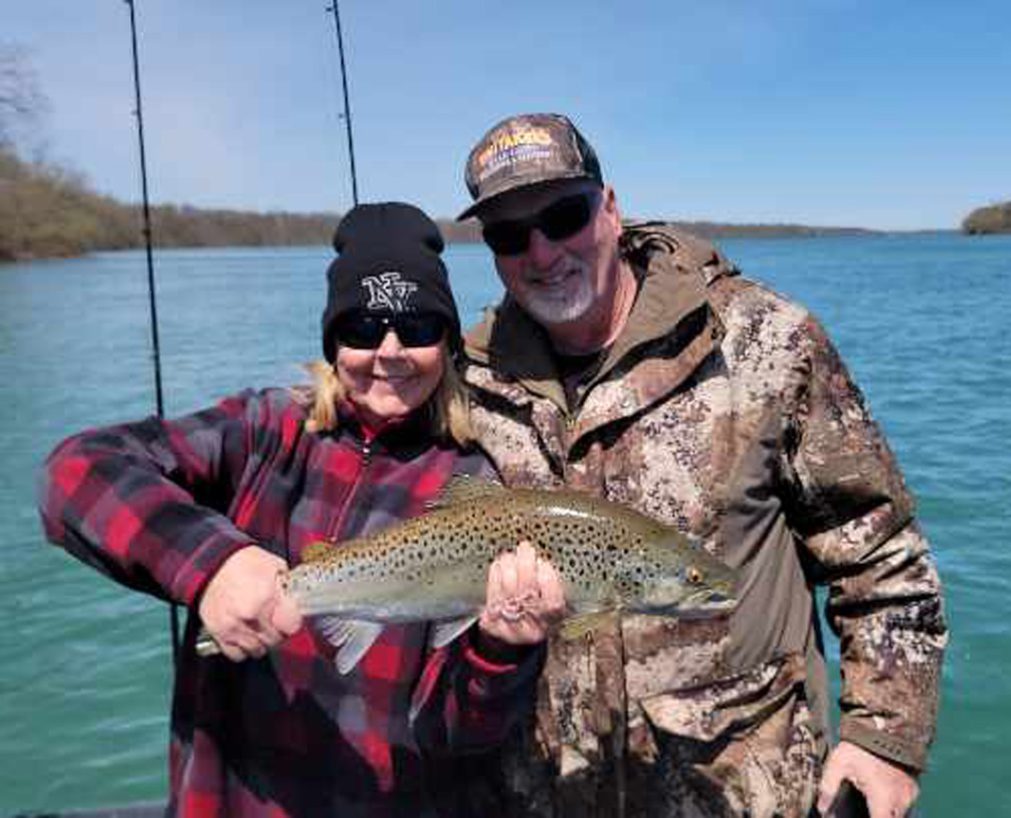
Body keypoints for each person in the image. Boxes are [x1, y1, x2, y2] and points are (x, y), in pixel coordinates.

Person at [454, 113, 947, 818]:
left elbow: (879, 554)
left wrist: (886, 738)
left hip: (743, 794)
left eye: (564, 215)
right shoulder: (468, 380)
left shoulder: (765, 341)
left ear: (611, 209)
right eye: (508, 233)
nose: (541, 251)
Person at [38, 201, 564, 818]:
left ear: (447, 342)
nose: (388, 352)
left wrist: (499, 654)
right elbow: (75, 472)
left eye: (417, 327)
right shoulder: (263, 432)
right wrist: (212, 564)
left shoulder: (474, 483)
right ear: (333, 338)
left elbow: (458, 733)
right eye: (363, 329)